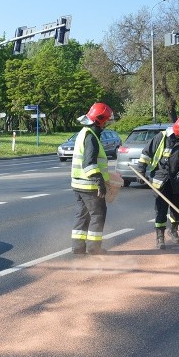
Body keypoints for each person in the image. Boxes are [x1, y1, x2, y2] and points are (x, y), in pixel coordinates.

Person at [136, 116, 179, 249]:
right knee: (161, 209)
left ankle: (174, 230)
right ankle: (160, 237)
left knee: (178, 208)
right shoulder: (161, 138)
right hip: (161, 179)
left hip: (178, 180)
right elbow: (146, 154)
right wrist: (141, 171)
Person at [71, 102, 113, 254]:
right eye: (106, 120)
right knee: (98, 215)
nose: (106, 123)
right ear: (99, 120)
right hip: (89, 185)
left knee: (82, 216)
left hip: (78, 184)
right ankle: (94, 249)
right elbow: (89, 163)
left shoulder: (84, 132)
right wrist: (99, 181)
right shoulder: (91, 137)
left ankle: (78, 248)